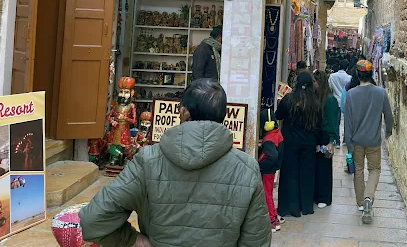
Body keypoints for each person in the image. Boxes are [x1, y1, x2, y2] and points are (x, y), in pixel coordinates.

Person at [79, 79, 271, 247]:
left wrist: (133, 241)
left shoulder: (148, 161)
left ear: (183, 112)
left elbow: (92, 220)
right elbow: (257, 241)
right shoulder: (247, 168)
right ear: (224, 116)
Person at [344, 60, 393, 224]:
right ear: (371, 74)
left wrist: (349, 144)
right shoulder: (381, 93)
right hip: (373, 141)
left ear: (358, 75)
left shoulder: (351, 94)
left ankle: (360, 203)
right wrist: (388, 131)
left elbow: (348, 122)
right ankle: (368, 197)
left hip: (356, 141)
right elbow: (388, 115)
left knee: (358, 170)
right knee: (374, 170)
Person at [277, 71, 322, 217]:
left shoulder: (289, 99)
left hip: (290, 141)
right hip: (309, 143)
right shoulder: (315, 102)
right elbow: (319, 125)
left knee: (290, 174)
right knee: (306, 175)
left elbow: (278, 115)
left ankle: (290, 207)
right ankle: (306, 206)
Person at [313, 70, 339, 209]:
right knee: (317, 167)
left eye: (315, 82)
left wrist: (331, 140)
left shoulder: (329, 100)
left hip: (325, 136)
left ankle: (324, 197)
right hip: (316, 136)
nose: (313, 84)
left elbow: (333, 122)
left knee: (324, 168)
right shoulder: (317, 97)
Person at [258, 108, 284, 233]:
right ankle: (274, 217)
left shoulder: (268, 139)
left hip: (267, 170)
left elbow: (272, 156)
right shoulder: (277, 133)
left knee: (266, 194)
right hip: (272, 170)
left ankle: (272, 221)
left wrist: (261, 165)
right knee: (269, 194)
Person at [329, 60, 351, 146]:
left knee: (335, 122)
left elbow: (330, 88)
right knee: (347, 121)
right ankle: (345, 139)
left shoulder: (332, 76)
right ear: (347, 67)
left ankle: (337, 141)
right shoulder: (349, 78)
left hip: (335, 101)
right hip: (346, 101)